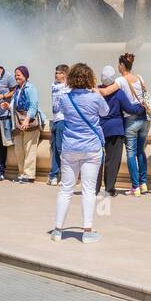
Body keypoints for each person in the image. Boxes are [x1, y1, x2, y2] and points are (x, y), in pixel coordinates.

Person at [51, 63, 110, 245]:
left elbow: (56, 109)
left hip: (70, 147)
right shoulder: (95, 97)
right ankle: (87, 231)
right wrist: (96, 92)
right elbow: (105, 112)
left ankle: (58, 230)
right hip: (91, 147)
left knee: (66, 189)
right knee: (88, 190)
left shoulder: (65, 97)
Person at [96, 66, 146, 196]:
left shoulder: (97, 90)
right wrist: (142, 109)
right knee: (113, 161)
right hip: (115, 130)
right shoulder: (118, 93)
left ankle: (94, 188)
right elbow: (129, 108)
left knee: (96, 160)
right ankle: (109, 188)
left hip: (99, 129)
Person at [115, 52, 151, 196]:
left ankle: (135, 187)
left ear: (122, 65)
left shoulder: (120, 81)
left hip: (130, 120)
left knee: (131, 153)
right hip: (145, 119)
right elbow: (146, 95)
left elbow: (107, 91)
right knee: (140, 151)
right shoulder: (140, 78)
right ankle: (143, 184)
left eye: (119, 64)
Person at [10, 65, 42, 183]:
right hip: (18, 121)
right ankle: (21, 172)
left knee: (29, 148)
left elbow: (34, 105)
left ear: (25, 75)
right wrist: (7, 106)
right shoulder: (17, 89)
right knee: (19, 149)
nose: (16, 77)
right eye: (15, 75)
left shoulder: (31, 88)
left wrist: (27, 119)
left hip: (29, 121)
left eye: (18, 74)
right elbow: (15, 104)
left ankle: (29, 175)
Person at [49, 63, 69, 186]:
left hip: (63, 120)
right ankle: (54, 175)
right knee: (55, 149)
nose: (56, 74)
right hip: (55, 120)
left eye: (60, 72)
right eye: (56, 72)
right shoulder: (54, 85)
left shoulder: (69, 87)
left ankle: (66, 176)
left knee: (62, 149)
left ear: (65, 74)